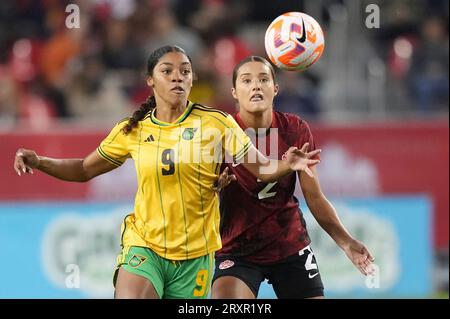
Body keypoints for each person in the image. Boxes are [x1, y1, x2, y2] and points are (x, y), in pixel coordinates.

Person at [13, 46, 320, 299]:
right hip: (146, 245)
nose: (177, 78)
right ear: (150, 80)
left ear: (192, 79)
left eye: (185, 71)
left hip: (196, 256)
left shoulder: (216, 123)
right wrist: (40, 161)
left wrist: (287, 164)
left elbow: (261, 168)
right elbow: (82, 169)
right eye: (167, 71)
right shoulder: (133, 129)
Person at [211, 56, 375, 299]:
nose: (256, 85)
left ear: (275, 89)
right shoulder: (220, 133)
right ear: (234, 92)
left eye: (263, 79)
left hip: (288, 245)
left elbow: (315, 197)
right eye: (247, 80)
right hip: (236, 249)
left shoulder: (295, 130)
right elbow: (197, 194)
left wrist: (346, 242)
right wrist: (211, 189)